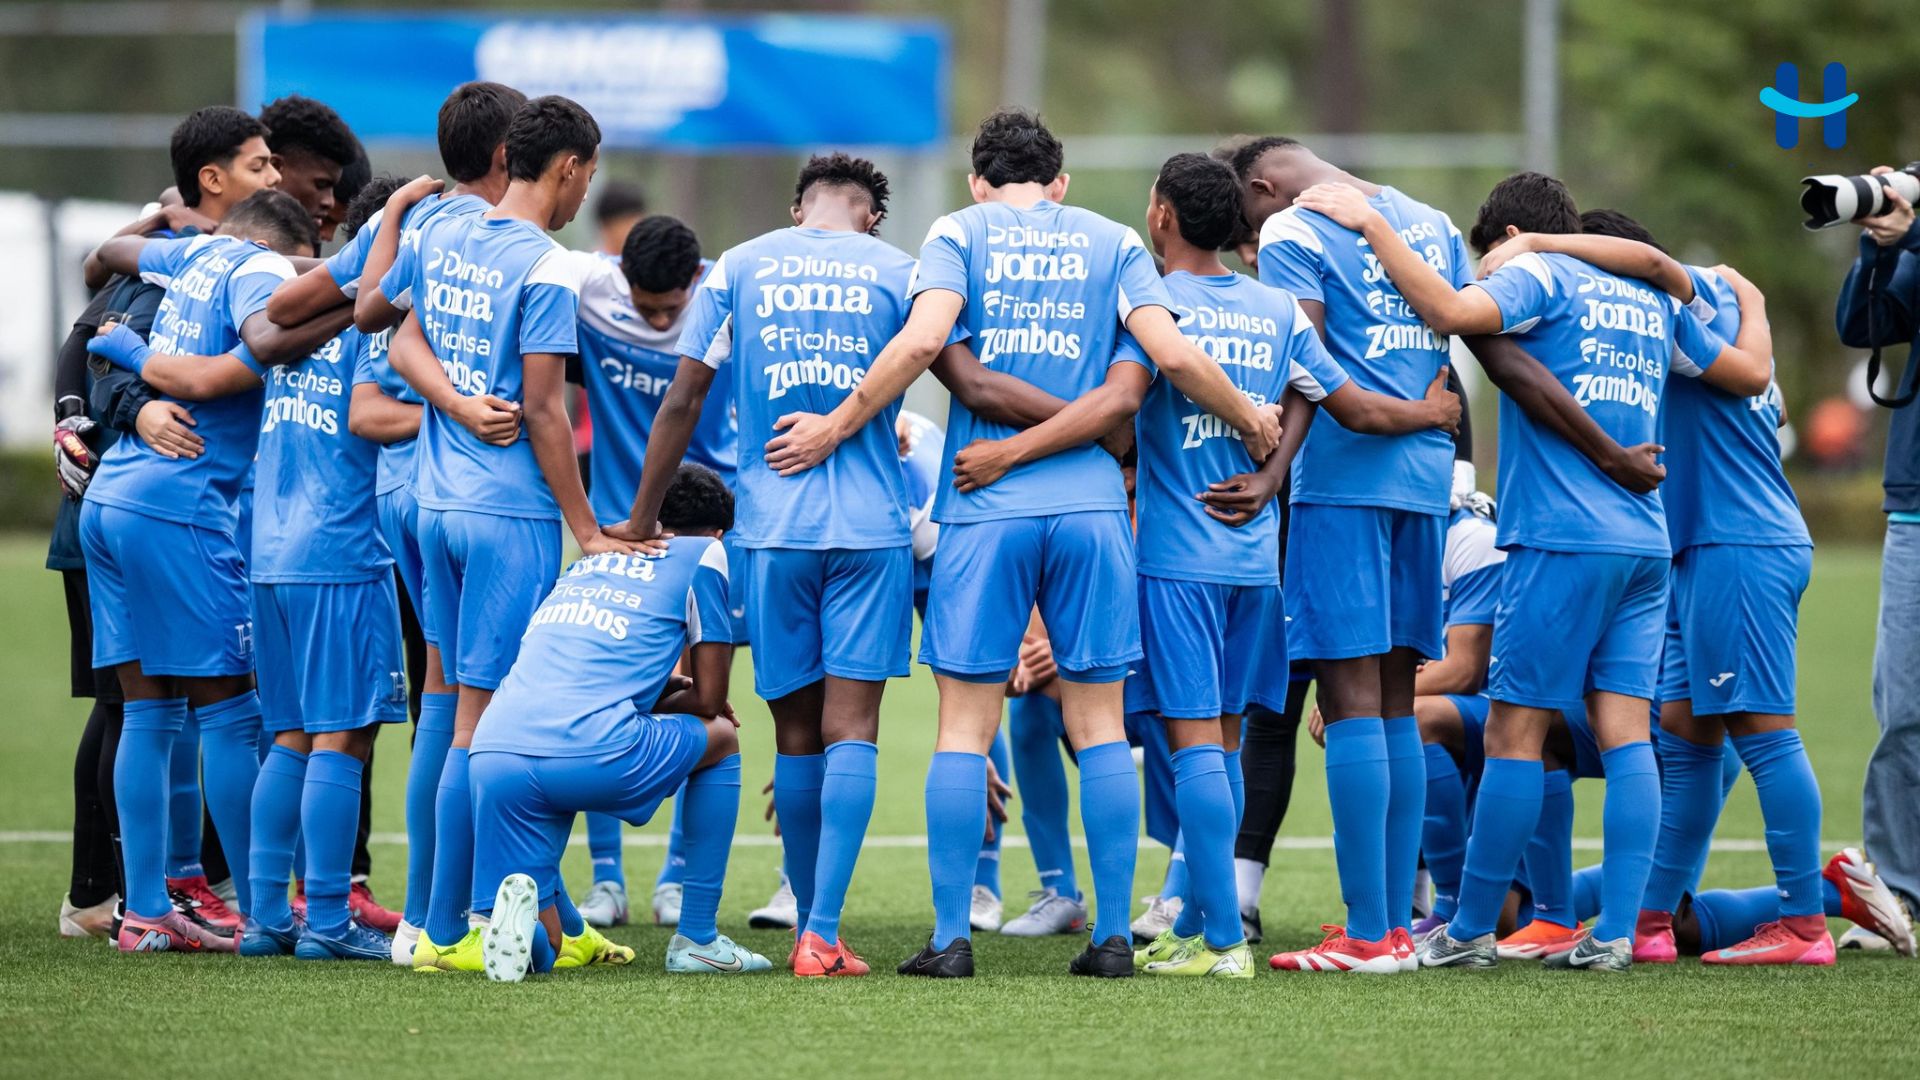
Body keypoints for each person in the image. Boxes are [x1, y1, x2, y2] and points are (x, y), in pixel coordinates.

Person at [758, 110, 1279, 979]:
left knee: (965, 726)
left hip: (983, 504)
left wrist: (838, 423)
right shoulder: (1113, 241)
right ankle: (1113, 937)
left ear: (976, 181)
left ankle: (952, 941)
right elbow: (1168, 363)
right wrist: (1249, 414)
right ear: (1062, 181)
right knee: (1102, 724)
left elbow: (929, 344)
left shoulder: (959, 231)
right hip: (1093, 517)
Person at [1295, 170, 1773, 971]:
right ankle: (1618, 931)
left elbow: (1447, 312)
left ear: (1506, 240)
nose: (1486, 274)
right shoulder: (1645, 297)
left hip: (1561, 539)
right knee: (1627, 739)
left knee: (1517, 733)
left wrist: (1373, 228)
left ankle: (1471, 925)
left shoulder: (1537, 273)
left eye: (1487, 259)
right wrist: (1751, 305)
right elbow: (1747, 375)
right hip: (1644, 545)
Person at [616, 153, 956, 977]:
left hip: (768, 532)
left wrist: (638, 517)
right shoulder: (902, 271)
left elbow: (685, 398)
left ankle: (808, 915)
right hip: (870, 530)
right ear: (870, 213)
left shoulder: (739, 265)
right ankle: (821, 935)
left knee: (796, 735)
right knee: (854, 731)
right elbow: (954, 377)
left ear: (798, 208)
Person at [91, 184, 407, 962]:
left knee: (153, 714)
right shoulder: (271, 290)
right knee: (258, 723)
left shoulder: (195, 253)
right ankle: (299, 919)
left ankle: (151, 909)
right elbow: (233, 367)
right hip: (217, 515)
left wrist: (165, 226)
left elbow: (109, 254)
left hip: (124, 498)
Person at [1513, 207, 1825, 965]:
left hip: (1736, 545)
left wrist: (1538, 244)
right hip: (1699, 550)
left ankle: (1807, 925)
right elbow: (1765, 387)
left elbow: (1750, 376)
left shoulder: (1675, 304)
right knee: (1685, 737)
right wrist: (1752, 308)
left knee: (1764, 732)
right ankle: (1651, 922)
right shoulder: (1713, 311)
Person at [381, 94, 633, 972]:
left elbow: (399, 340)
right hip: (505, 517)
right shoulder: (551, 264)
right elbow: (543, 409)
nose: (583, 194)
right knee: (482, 733)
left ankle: (453, 921)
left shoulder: (447, 225)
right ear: (567, 168)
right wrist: (588, 528)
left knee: (450, 704)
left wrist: (448, 401)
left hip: (434, 504)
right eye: (587, 177)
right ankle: (458, 931)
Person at [283, 80, 524, 964]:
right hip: (441, 501)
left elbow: (322, 315)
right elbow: (367, 398)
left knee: (438, 705)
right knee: (464, 712)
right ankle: (438, 919)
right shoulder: (466, 239)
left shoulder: (426, 230)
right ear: (512, 157)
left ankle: (412, 916)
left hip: (413, 502)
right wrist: (463, 409)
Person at [1232, 134, 1472, 973]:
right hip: (1425, 488)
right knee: (1397, 703)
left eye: (1245, 223)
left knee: (1349, 703)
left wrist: (1265, 469)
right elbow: (1453, 332)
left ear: (1265, 188)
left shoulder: (1295, 232)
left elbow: (1306, 370)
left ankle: (1369, 934)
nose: (1249, 246)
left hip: (1340, 486)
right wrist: (1429, 416)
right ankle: (1398, 927)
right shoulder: (1432, 223)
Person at [464, 464, 768, 982]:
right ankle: (698, 938)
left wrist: (656, 694)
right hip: (589, 752)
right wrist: (686, 697)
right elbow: (713, 698)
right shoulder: (705, 553)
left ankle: (518, 926)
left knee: (548, 944)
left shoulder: (588, 560)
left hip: (494, 752)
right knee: (721, 737)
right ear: (720, 532)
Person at [563, 213, 724, 931]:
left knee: (709, 701)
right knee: (609, 700)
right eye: (644, 307)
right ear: (616, 275)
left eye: (671, 308)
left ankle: (679, 878)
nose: (659, 320)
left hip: (707, 532)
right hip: (616, 537)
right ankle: (606, 881)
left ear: (694, 279)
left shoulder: (726, 289)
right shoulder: (585, 282)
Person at [1837, 167, 1920, 937]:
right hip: (1915, 503)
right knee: (1904, 705)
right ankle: (1898, 889)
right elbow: (1859, 330)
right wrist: (1878, 249)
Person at [257, 95, 359, 242]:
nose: (329, 202)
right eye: (321, 185)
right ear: (276, 166)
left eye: (332, 188)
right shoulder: (222, 241)